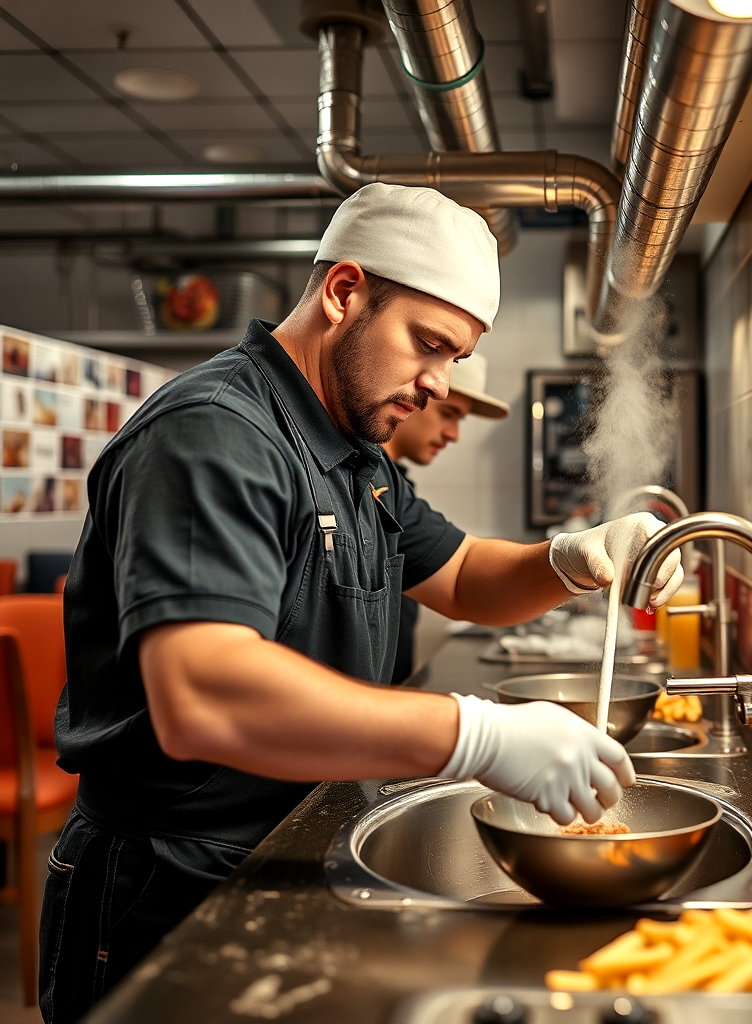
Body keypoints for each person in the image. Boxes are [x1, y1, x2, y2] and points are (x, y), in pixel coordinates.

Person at [40, 183, 683, 1023]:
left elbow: (460, 577)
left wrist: (576, 557)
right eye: (429, 344)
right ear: (344, 293)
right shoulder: (214, 434)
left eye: (454, 357)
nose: (436, 384)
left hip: (289, 840)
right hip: (173, 879)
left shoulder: (352, 448)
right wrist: (477, 736)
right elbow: (203, 693)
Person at [382, 354, 509, 682]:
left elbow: (460, 571)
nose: (453, 435)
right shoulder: (358, 481)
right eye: (448, 414)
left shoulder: (394, 486)